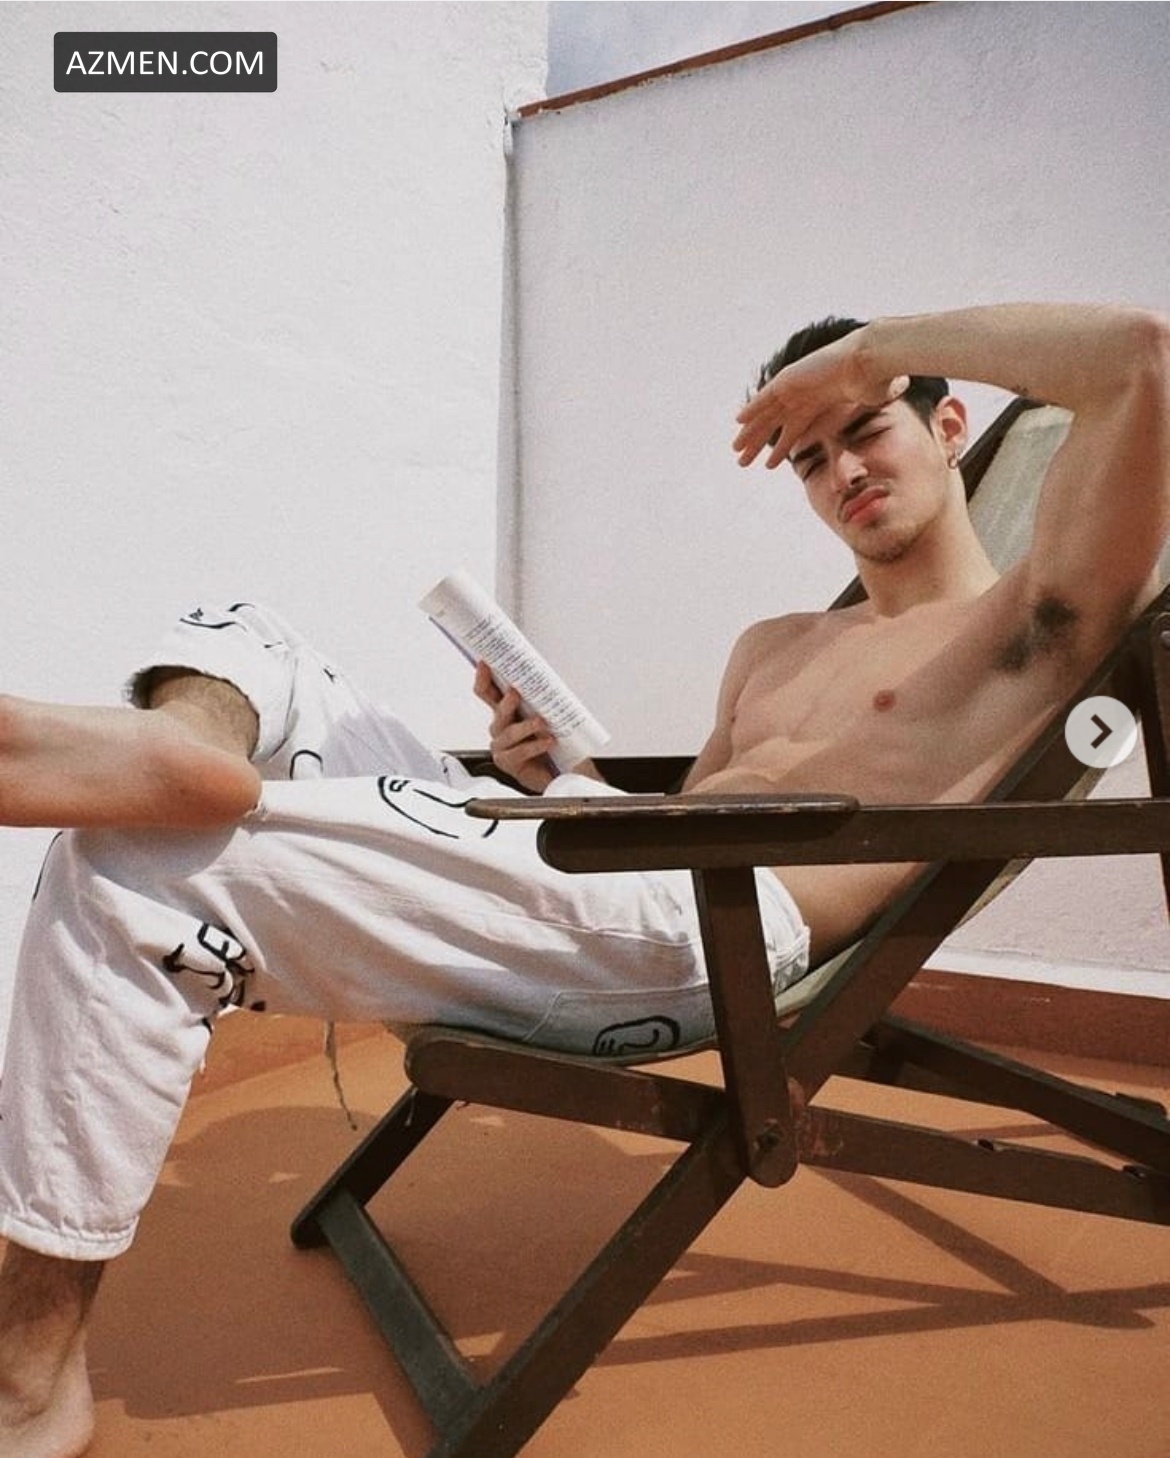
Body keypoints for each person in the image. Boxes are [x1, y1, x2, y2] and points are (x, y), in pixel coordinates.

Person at [0, 302, 1167, 1457]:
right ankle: (187, 749)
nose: (842, 471)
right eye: (812, 458)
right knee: (254, 634)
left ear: (950, 425)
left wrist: (872, 353)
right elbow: (682, 815)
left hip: (708, 936)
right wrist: (555, 773)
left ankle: (32, 1379)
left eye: (866, 429)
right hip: (618, 878)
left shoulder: (1028, 628)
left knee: (137, 864)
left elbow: (1138, 362)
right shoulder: (775, 645)